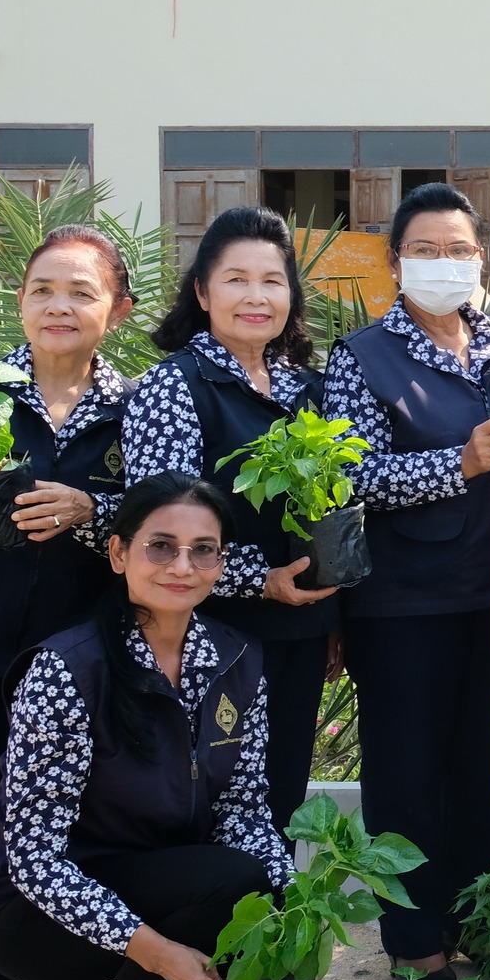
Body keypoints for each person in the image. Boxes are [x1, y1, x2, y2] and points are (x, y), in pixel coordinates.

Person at [320, 184, 490, 980]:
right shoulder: (363, 356)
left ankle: (476, 924)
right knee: (407, 780)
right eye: (427, 250)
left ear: (482, 258)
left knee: (486, 773)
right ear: (397, 261)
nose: (445, 264)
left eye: (460, 250)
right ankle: (414, 949)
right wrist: (461, 462)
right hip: (404, 604)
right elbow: (351, 476)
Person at [0, 472, 290, 980]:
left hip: (158, 882)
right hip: (29, 917)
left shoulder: (237, 659)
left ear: (221, 563)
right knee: (228, 889)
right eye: (161, 546)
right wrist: (152, 950)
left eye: (204, 550)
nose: (182, 567)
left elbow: (244, 811)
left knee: (255, 890)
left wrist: (296, 912)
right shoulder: (67, 669)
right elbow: (34, 858)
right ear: (118, 552)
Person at [121, 208, 328, 842]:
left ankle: (272, 932)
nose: (256, 296)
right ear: (202, 292)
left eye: (273, 280)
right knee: (212, 797)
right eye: (236, 279)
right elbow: (161, 532)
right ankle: (205, 938)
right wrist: (259, 579)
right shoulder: (173, 387)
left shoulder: (308, 390)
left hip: (299, 628)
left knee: (281, 792)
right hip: (208, 632)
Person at [0, 227, 139, 980]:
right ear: (21, 300)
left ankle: (60, 979)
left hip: (86, 654)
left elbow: (165, 515)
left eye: (81, 291)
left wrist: (95, 510)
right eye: (44, 288)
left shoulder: (135, 406)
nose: (59, 305)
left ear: (113, 310)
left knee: (76, 814)